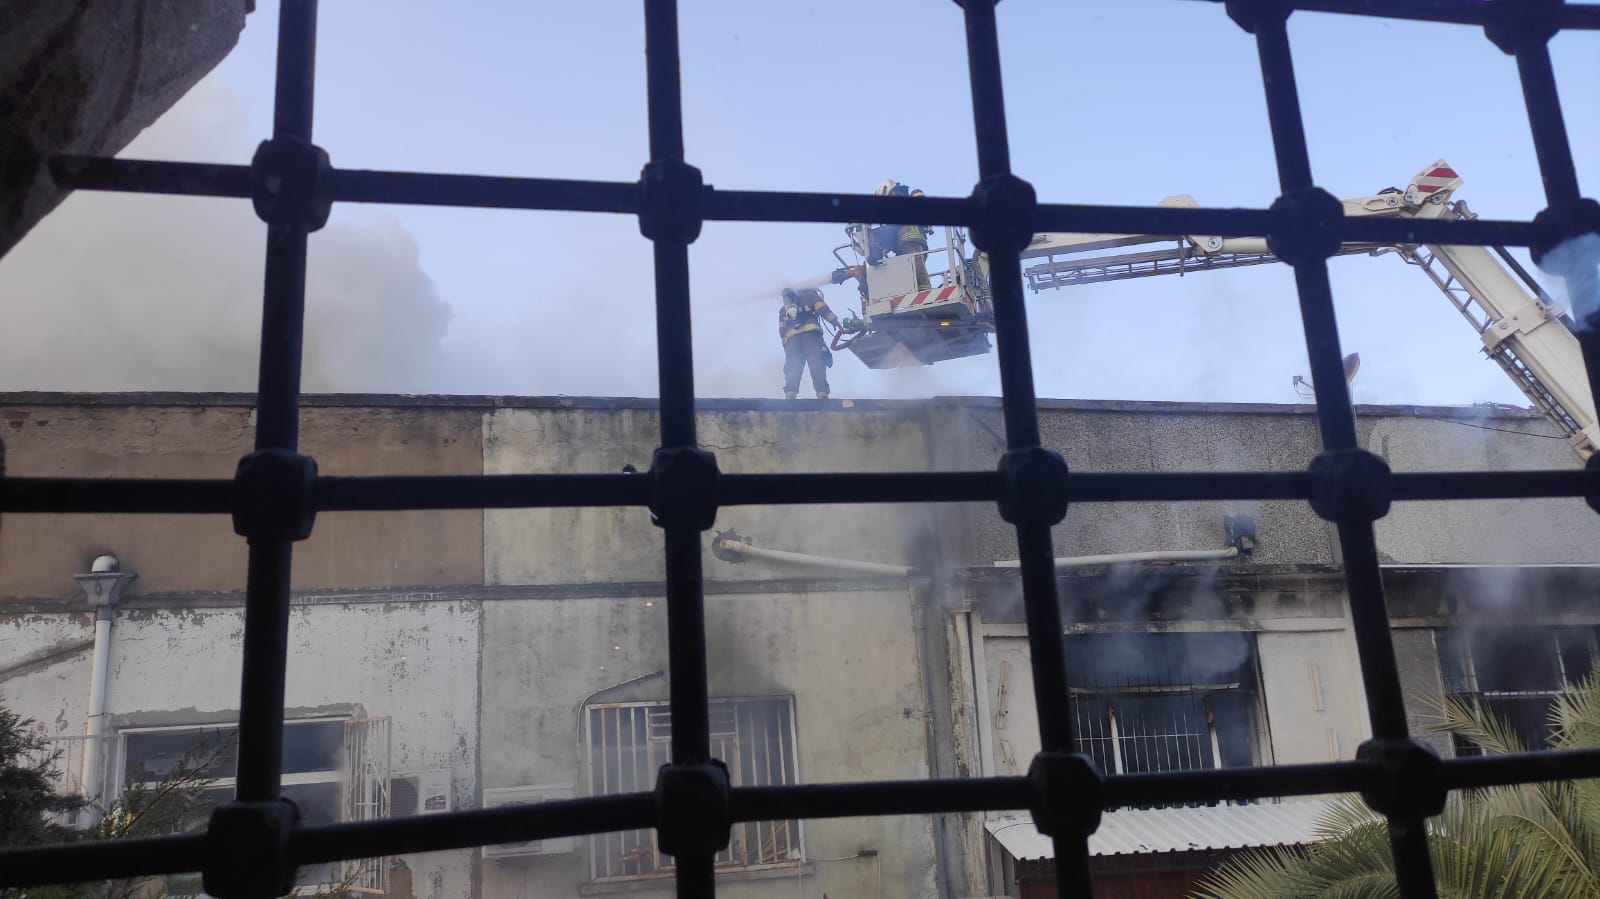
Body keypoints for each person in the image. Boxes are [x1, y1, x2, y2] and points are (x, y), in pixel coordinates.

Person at [779, 287, 841, 399]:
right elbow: (822, 309)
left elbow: (781, 329)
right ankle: (822, 392)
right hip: (811, 336)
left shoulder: (784, 309)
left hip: (792, 340)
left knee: (793, 365)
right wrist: (834, 320)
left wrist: (786, 346)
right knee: (817, 363)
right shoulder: (811, 296)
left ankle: (790, 392)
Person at [874, 180, 932, 290]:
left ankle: (924, 290)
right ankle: (918, 288)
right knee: (908, 268)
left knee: (916, 266)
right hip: (908, 241)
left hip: (912, 239)